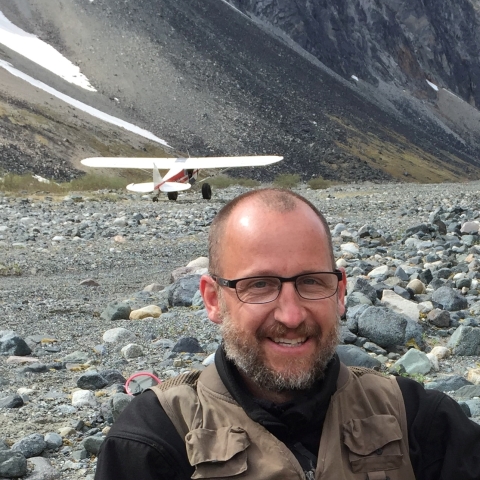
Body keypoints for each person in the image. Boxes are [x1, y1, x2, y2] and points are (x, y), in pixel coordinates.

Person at [95, 188, 480, 480]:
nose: (292, 315)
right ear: (213, 300)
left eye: (311, 282)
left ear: (340, 292)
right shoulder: (155, 441)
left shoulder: (417, 419)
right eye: (259, 285)